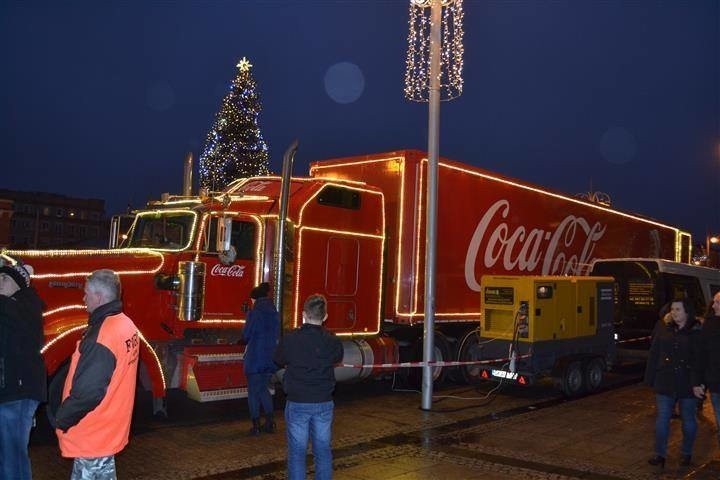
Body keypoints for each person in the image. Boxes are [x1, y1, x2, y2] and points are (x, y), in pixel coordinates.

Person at [48, 269, 139, 479]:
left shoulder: (103, 336)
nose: (83, 298)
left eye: (86, 293)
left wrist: (62, 419)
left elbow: (89, 392)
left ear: (98, 297)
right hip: (107, 430)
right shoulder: (126, 324)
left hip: (93, 433)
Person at [273, 294, 343, 480]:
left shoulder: (291, 339)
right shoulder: (332, 341)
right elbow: (337, 357)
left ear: (303, 314)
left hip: (298, 401)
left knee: (297, 453)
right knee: (323, 450)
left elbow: (277, 359)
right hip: (323, 401)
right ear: (325, 316)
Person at [0, 257, 46, 480]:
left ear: (20, 283)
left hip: (17, 392)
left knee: (13, 456)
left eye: (5, 279)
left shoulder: (24, 306)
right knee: (8, 454)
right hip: (10, 391)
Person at [644, 299, 704, 468]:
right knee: (662, 418)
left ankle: (686, 453)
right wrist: (650, 379)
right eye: (673, 309)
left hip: (687, 383)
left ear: (687, 312)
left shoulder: (695, 332)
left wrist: (698, 383)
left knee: (688, 419)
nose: (675, 312)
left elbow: (699, 360)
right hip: (665, 380)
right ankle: (660, 454)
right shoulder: (664, 328)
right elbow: (655, 353)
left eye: (678, 309)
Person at [242, 282, 280, 436]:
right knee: (264, 390)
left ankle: (256, 425)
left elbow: (246, 335)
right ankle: (270, 423)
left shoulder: (254, 313)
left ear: (255, 299)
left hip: (255, 359)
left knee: (253, 392)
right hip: (269, 359)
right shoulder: (275, 313)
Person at [695, 291, 720, 444]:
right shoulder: (709, 324)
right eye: (714, 302)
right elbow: (702, 354)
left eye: (718, 302)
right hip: (715, 380)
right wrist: (700, 381)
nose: (714, 305)